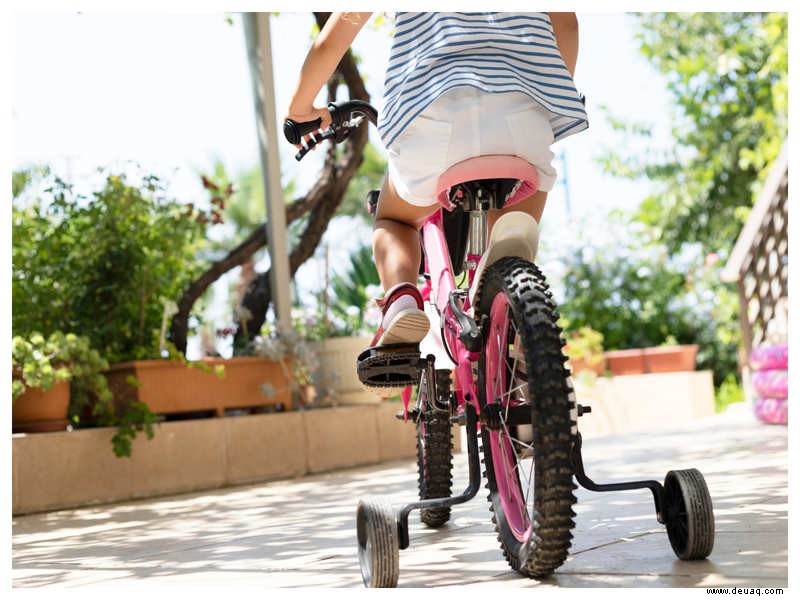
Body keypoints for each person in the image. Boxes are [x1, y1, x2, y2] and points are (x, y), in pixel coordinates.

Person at [286, 12, 587, 349]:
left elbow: (332, 40)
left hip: (434, 118)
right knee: (513, 225)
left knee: (394, 219)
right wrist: (554, 96)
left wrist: (300, 110)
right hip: (522, 117)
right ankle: (512, 308)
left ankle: (400, 301)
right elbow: (567, 23)